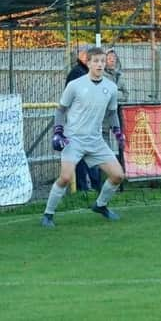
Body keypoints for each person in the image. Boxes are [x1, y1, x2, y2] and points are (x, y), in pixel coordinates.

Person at [41, 47, 126, 228]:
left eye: (103, 61)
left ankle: (100, 205)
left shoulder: (110, 88)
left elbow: (112, 113)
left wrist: (118, 132)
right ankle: (48, 214)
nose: (100, 64)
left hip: (95, 141)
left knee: (118, 176)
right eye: (96, 61)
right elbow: (61, 110)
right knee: (65, 178)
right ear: (88, 63)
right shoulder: (75, 85)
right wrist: (58, 132)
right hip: (74, 140)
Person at [65, 45, 101, 192]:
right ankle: (82, 188)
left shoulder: (87, 72)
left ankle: (95, 186)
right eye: (86, 54)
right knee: (81, 156)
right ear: (80, 55)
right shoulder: (76, 73)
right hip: (79, 122)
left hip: (89, 122)